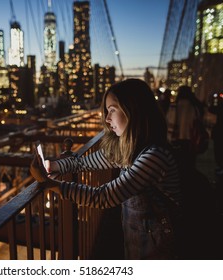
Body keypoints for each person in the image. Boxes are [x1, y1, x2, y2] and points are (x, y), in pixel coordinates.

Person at [30, 79, 183, 260]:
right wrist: (52, 165)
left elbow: (104, 197)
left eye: (112, 110)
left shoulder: (154, 157)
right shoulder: (128, 150)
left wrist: (51, 184)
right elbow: (83, 163)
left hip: (161, 252)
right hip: (140, 244)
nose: (107, 119)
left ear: (133, 110)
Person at [167, 85, 205, 169]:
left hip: (177, 138)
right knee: (190, 163)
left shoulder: (174, 106)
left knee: (178, 164)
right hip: (191, 139)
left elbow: (169, 123)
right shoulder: (194, 106)